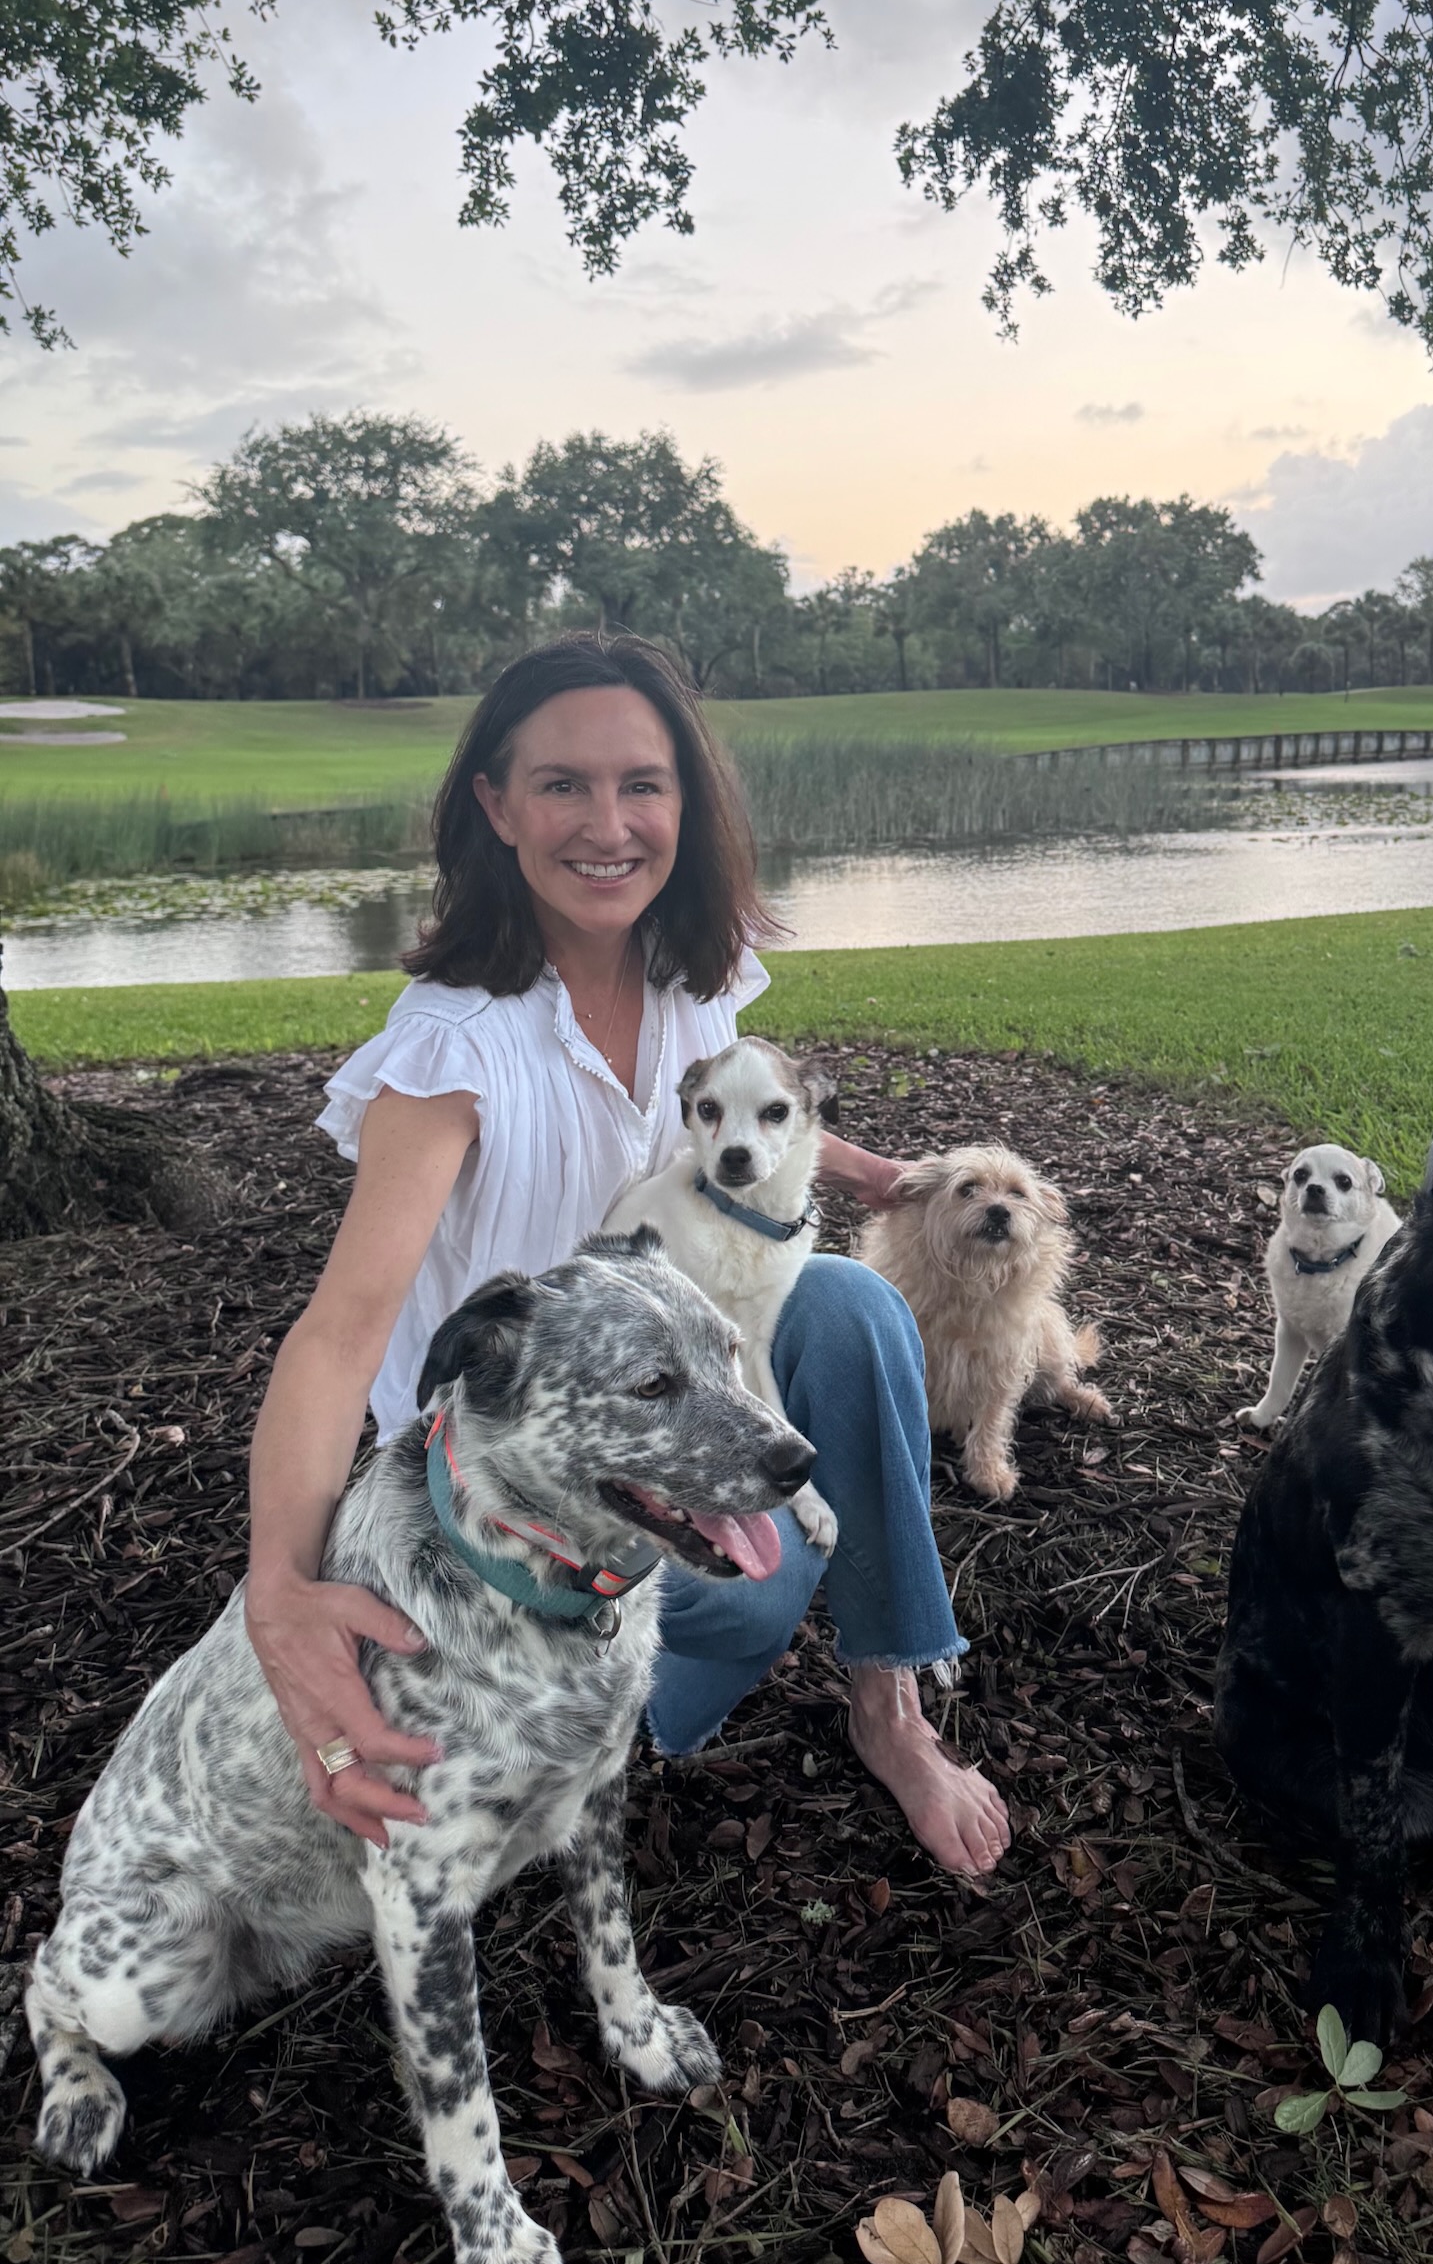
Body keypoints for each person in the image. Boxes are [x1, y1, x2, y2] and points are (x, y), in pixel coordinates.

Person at [242, 632, 1010, 1879]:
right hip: (505, 1457)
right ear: (493, 804)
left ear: (685, 803)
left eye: (641, 784)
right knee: (760, 1584)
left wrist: (872, 1172)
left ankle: (891, 1708)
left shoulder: (681, 979)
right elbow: (343, 1329)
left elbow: (740, 1127)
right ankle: (581, 1714)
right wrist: (278, 1589)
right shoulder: (453, 1053)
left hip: (664, 1358)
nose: (609, 824)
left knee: (855, 1309)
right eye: (561, 784)